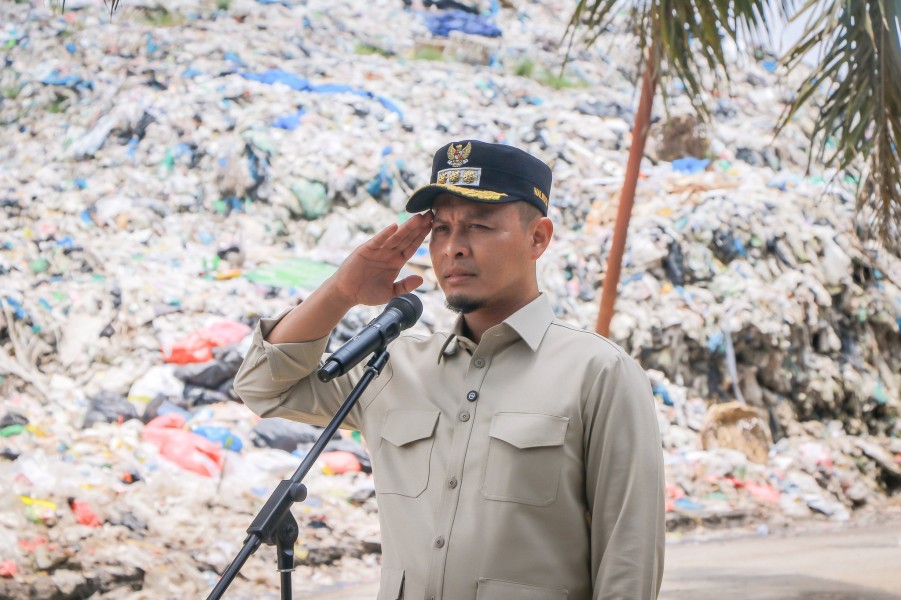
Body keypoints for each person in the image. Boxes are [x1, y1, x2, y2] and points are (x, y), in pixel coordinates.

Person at [234, 140, 665, 600]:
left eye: (479, 226)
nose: (454, 248)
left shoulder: (597, 373)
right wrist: (342, 291)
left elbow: (628, 557)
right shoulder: (392, 367)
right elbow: (264, 388)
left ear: (538, 237)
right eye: (441, 229)